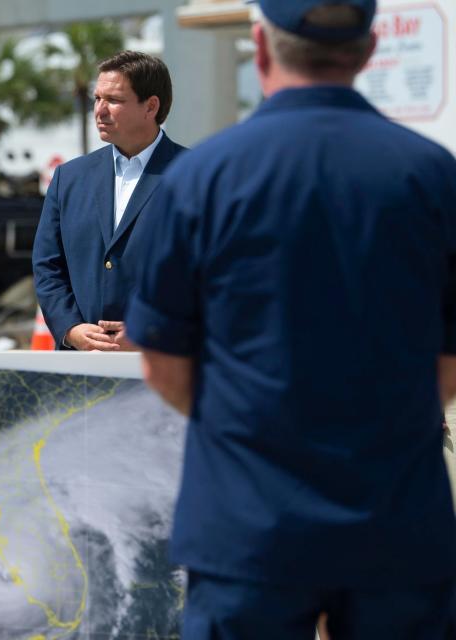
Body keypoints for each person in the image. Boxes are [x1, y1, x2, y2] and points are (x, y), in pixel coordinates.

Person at [124, 0, 456, 637]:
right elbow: (446, 362)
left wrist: (261, 426)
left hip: (247, 520)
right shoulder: (431, 174)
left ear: (262, 46)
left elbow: (164, 364)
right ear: (366, 50)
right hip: (394, 519)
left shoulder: (200, 179)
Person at [32, 50, 185, 351]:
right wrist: (70, 328)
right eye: (97, 99)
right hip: (79, 372)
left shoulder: (195, 176)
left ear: (150, 106)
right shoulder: (68, 178)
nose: (99, 111)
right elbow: (47, 266)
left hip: (162, 367)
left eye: (113, 100)